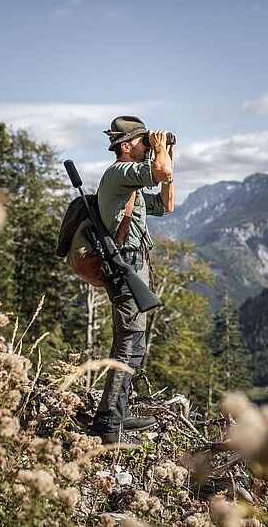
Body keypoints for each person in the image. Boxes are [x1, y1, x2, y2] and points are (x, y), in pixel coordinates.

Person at [89, 115, 174, 445]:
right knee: (129, 343)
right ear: (126, 146)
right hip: (126, 264)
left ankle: (116, 413)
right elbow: (162, 172)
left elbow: (166, 205)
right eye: (144, 142)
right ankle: (110, 425)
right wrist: (162, 155)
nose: (148, 147)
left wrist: (167, 154)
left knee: (132, 343)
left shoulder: (132, 187)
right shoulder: (119, 172)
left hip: (134, 263)